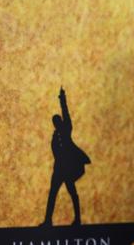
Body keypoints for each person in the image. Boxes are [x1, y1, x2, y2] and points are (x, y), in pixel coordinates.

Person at [40, 87, 91, 226]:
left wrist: (62, 98)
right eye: (54, 122)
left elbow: (65, 111)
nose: (56, 123)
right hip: (59, 169)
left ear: (61, 121)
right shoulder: (55, 136)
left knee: (72, 193)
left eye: (58, 120)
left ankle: (78, 219)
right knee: (52, 195)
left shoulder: (66, 128)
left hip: (68, 168)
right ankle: (48, 220)